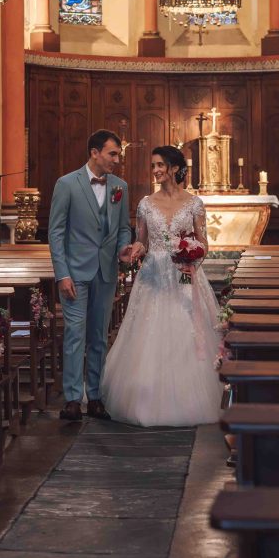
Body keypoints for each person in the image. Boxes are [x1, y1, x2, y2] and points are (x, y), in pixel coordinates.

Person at [102, 145, 224, 427]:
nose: (155, 170)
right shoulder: (146, 203)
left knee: (186, 329)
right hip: (153, 276)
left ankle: (188, 397)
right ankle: (146, 397)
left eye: (160, 165)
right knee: (149, 332)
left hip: (184, 274)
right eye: (153, 165)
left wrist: (192, 255)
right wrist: (134, 250)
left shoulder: (194, 203)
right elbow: (142, 240)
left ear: (173, 167)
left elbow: (204, 243)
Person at [48, 129, 134, 422]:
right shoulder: (66, 184)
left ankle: (95, 396)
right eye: (112, 154)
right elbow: (56, 232)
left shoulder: (119, 187)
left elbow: (124, 227)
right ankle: (73, 398)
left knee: (98, 335)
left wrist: (124, 248)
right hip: (74, 272)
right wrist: (62, 274)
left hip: (106, 270)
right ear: (94, 152)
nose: (117, 160)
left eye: (118, 155)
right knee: (74, 334)